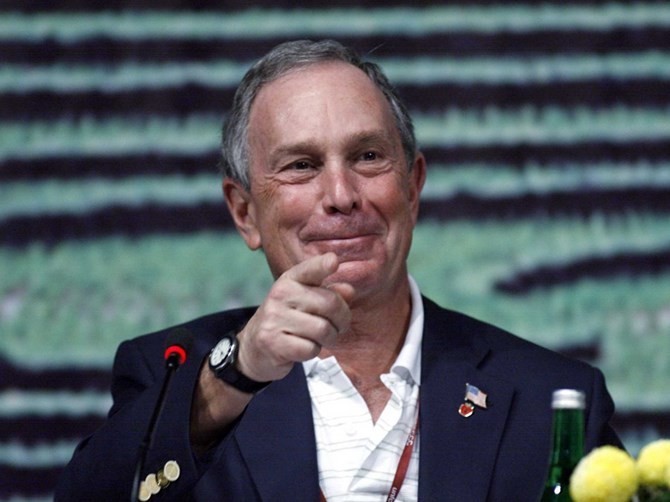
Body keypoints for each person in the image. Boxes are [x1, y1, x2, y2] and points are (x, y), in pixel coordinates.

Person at [55, 39, 621, 501]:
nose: (341, 195)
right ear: (245, 213)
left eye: (368, 156)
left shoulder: (554, 397)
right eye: (301, 166)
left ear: (413, 187)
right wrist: (236, 376)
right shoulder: (174, 373)